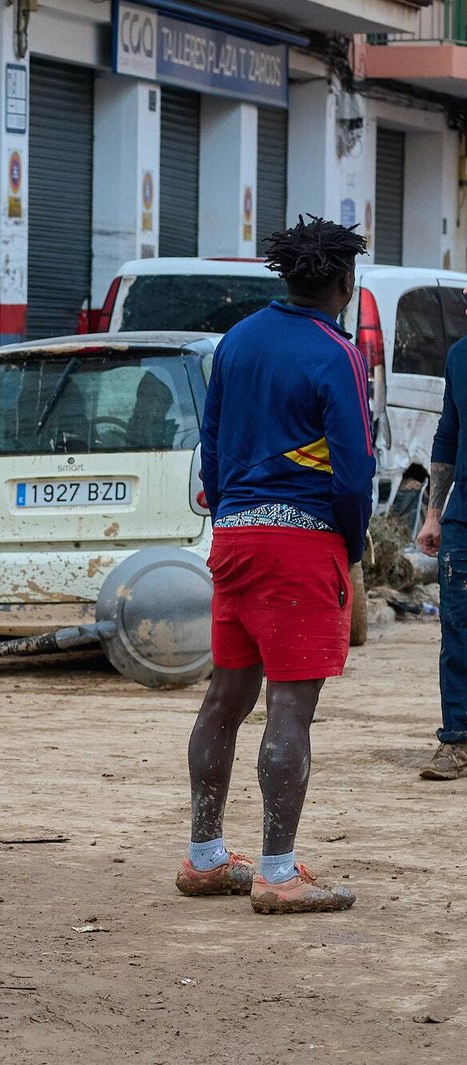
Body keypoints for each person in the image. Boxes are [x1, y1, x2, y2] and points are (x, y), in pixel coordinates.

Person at [178, 216, 373, 914]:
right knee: (290, 706)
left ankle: (205, 857)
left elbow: (211, 442)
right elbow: (354, 470)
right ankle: (278, 871)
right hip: (302, 543)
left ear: (285, 275)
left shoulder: (237, 341)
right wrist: (349, 548)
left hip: (233, 536)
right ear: (344, 283)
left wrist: (233, 515)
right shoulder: (337, 353)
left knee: (225, 699)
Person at [415, 311, 467, 780]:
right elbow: (447, 435)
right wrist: (433, 513)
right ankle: (457, 741)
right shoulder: (460, 356)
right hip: (463, 518)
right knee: (457, 630)